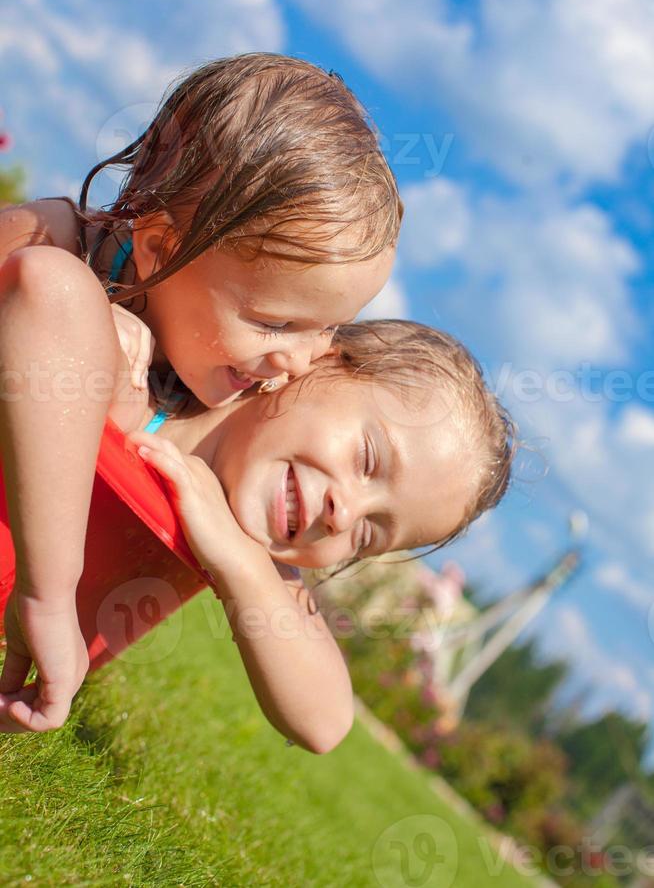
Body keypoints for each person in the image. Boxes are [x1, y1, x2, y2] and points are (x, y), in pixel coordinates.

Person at [0, 54, 402, 738]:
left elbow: (326, 724)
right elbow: (38, 291)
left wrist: (240, 560)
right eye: (277, 323)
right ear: (157, 245)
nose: (300, 360)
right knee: (53, 291)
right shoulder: (62, 243)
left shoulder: (233, 429)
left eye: (329, 328)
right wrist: (50, 588)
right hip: (38, 594)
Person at [0, 320, 514, 753]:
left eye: (368, 534)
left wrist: (237, 562)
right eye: (367, 458)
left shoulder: (245, 547)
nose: (344, 511)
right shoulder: (138, 373)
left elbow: (325, 722)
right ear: (321, 360)